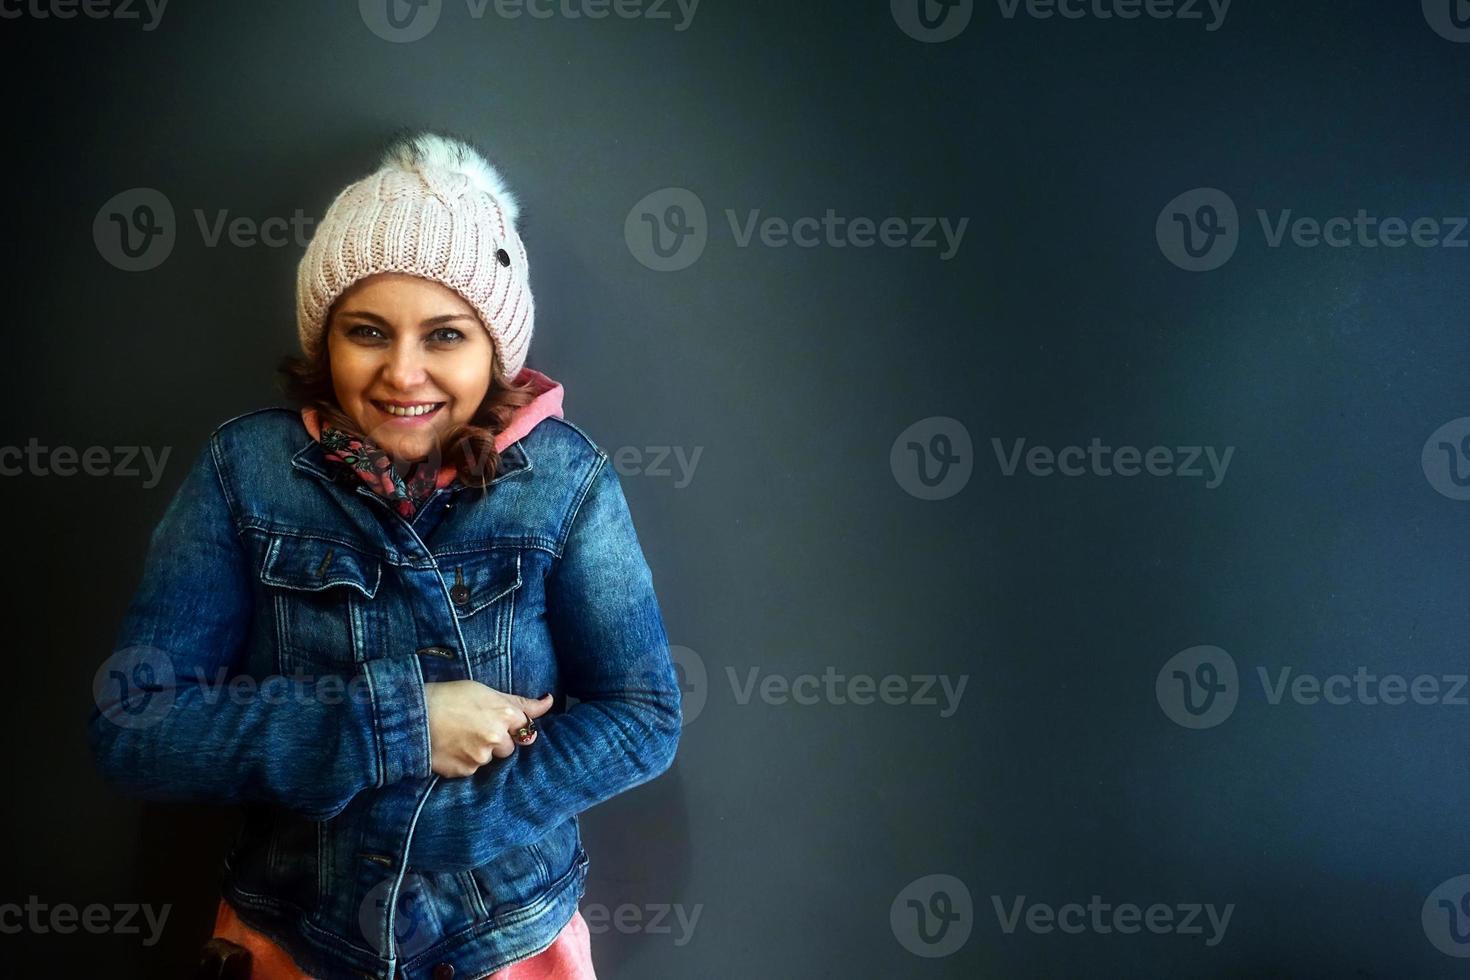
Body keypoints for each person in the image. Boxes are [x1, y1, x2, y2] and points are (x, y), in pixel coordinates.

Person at [86, 130, 683, 979]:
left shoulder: (566, 482)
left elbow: (642, 713)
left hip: (508, 947)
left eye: (445, 336)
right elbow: (132, 725)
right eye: (368, 331)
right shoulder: (245, 474)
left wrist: (455, 828)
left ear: (495, 347)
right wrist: (396, 727)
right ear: (325, 339)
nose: (404, 374)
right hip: (293, 942)